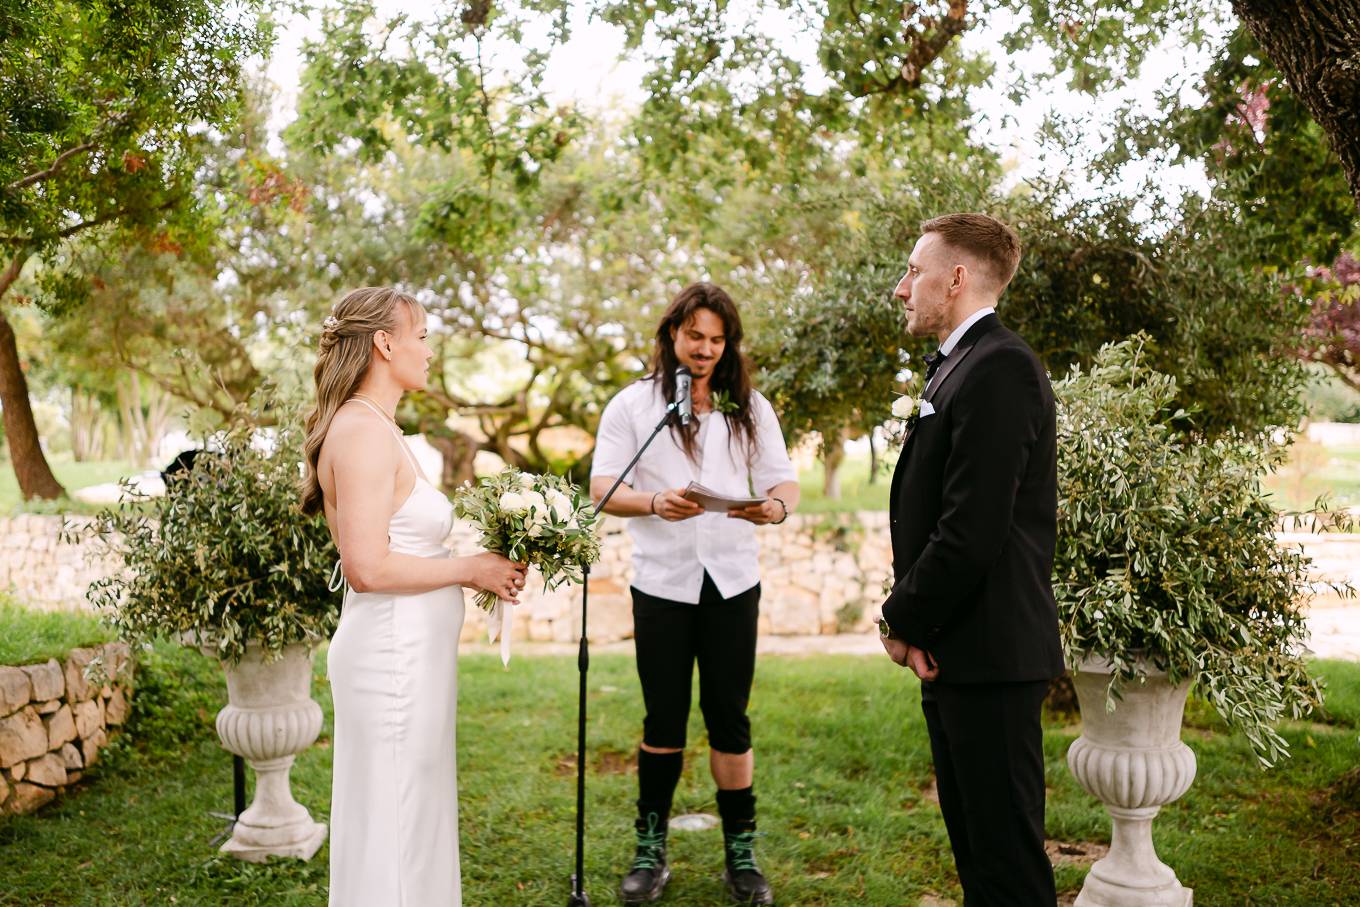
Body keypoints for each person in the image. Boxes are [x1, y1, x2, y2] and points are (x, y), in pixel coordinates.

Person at [300, 286, 527, 907]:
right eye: (421, 337)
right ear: (384, 342)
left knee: (412, 820)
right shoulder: (361, 432)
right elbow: (367, 567)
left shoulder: (380, 427)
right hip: (391, 659)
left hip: (411, 658)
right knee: (395, 826)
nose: (429, 351)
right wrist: (469, 570)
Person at [591, 282, 799, 906]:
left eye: (717, 339)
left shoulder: (750, 407)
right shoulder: (633, 405)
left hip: (733, 582)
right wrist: (654, 501)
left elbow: (783, 481)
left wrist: (774, 509)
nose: (705, 349)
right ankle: (649, 851)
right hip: (661, 583)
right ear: (671, 335)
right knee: (663, 716)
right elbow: (603, 487)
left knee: (730, 718)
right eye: (694, 337)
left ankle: (742, 856)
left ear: (728, 344)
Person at [878, 214, 1065, 905]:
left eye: (914, 271)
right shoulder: (962, 364)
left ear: (955, 278)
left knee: (1008, 869)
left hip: (993, 657)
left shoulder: (1000, 367)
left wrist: (900, 618)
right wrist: (923, 627)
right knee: (981, 866)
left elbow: (972, 530)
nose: (902, 288)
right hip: (960, 649)